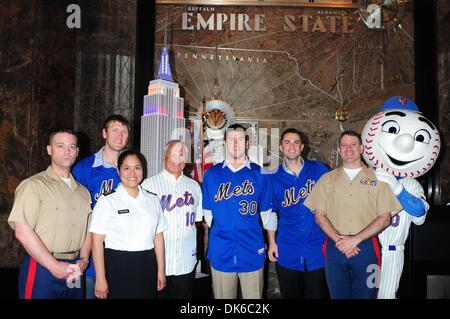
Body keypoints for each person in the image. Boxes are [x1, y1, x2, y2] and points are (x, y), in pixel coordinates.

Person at [304, 130, 402, 299]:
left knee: (369, 295)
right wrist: (341, 241)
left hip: (367, 248)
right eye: (344, 145)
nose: (348, 149)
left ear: (362, 148)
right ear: (339, 149)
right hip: (335, 248)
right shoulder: (327, 179)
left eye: (353, 145)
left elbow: (385, 219)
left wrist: (354, 240)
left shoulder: (379, 179)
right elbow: (319, 216)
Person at [361, 96, 441, 298]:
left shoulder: (411, 184)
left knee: (386, 295)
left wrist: (397, 188)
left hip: (392, 250)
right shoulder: (365, 177)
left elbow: (420, 215)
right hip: (366, 246)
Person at [8, 129, 92, 299]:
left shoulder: (84, 192)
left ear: (77, 152)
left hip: (74, 269)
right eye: (60, 146)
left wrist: (84, 260)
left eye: (72, 146)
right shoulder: (33, 185)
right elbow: (22, 231)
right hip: (43, 267)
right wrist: (53, 266)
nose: (67, 151)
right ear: (49, 149)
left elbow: (87, 231)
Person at [202, 124, 278, 299]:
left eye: (240, 139)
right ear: (224, 143)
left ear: (247, 143)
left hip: (252, 249)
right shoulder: (212, 175)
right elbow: (208, 214)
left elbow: (268, 214)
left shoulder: (261, 173)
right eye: (231, 139)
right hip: (222, 250)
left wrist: (272, 242)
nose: (235, 143)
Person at [89, 150, 168, 299]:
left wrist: (161, 271)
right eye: (126, 168)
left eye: (137, 168)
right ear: (118, 171)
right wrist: (100, 278)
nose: (132, 173)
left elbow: (158, 237)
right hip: (117, 265)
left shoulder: (152, 199)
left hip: (147, 264)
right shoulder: (107, 200)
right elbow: (96, 241)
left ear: (143, 171)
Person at [72, 114, 129, 299]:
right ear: (104, 133)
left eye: (124, 132)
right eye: (114, 130)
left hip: (124, 249)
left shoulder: (132, 168)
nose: (119, 136)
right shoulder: (85, 168)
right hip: (93, 251)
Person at [268, 128, 329, 299]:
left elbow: (334, 202)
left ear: (302, 147)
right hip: (288, 248)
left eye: (296, 142)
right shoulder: (272, 177)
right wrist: (271, 242)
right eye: (287, 142)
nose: (291, 146)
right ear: (281, 147)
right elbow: (271, 213)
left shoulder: (319, 169)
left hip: (317, 249)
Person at [141, 140, 203, 299]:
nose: (177, 160)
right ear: (164, 157)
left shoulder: (194, 186)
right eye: (173, 155)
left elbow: (197, 221)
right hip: (158, 264)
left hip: (185, 263)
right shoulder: (148, 185)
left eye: (181, 155)